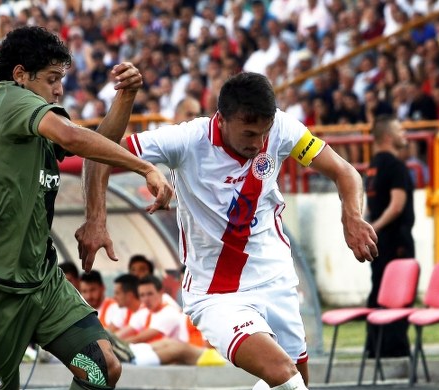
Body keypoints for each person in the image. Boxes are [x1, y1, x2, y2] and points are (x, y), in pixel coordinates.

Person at [78, 72, 378, 389]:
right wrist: (97, 218)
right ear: (221, 120)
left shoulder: (282, 128)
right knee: (285, 377)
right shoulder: (187, 141)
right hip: (216, 294)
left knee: (296, 381)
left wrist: (352, 217)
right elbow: (99, 153)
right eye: (249, 133)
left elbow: (344, 171)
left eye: (264, 134)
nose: (259, 143)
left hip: (277, 280)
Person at [0, 26, 172, 390]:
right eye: (52, 79)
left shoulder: (34, 121)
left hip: (43, 283)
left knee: (102, 367)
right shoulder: (8, 98)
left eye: (61, 79)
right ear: (20, 75)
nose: (59, 89)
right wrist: (144, 167)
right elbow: (73, 137)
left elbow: (95, 144)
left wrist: (125, 97)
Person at [363, 116, 414, 358]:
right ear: (387, 137)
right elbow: (396, 206)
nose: (404, 133)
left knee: (378, 290)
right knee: (398, 294)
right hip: (396, 241)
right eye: (399, 129)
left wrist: (369, 229)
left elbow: (368, 207)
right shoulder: (396, 166)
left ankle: (374, 346)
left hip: (379, 244)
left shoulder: (373, 167)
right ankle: (395, 348)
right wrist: (376, 228)